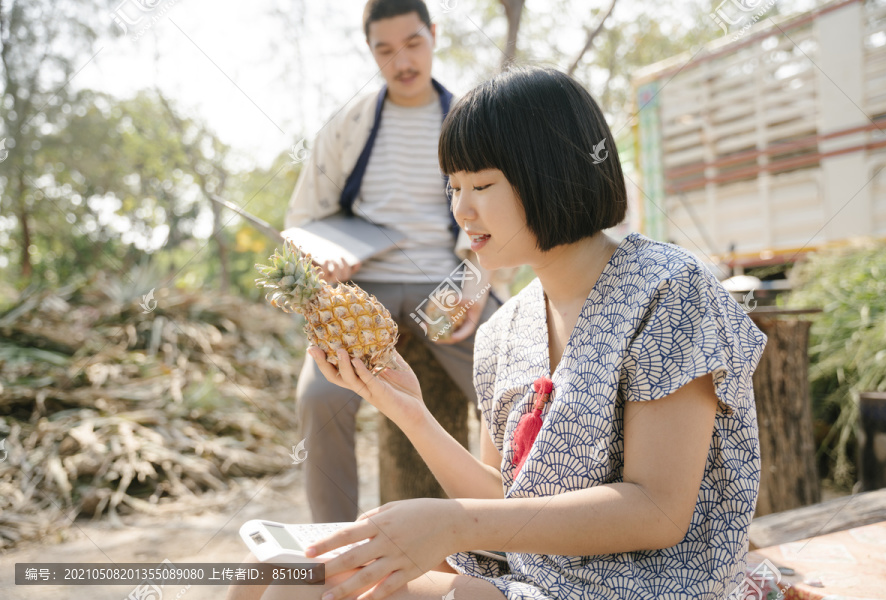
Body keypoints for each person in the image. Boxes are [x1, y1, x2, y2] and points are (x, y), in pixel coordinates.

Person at [229, 66, 767, 600]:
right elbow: (506, 502)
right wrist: (408, 411)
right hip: (530, 579)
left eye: (482, 185)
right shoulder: (503, 329)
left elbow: (657, 510)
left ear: (552, 173)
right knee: (266, 578)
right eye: (453, 187)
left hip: (645, 589)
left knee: (300, 592)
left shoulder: (669, 291)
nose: (462, 210)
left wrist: (455, 524)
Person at [285, 0, 509, 524]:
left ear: (433, 35)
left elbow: (499, 217)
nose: (402, 60)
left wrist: (477, 290)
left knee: (513, 375)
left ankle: (507, 526)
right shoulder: (347, 125)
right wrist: (324, 259)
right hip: (365, 289)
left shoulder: (468, 119)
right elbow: (302, 219)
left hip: (449, 280)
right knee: (319, 397)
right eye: (385, 50)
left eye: (413, 44)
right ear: (371, 51)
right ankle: (335, 542)